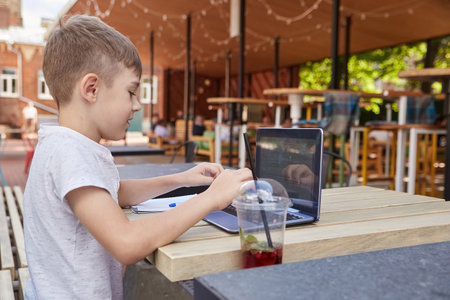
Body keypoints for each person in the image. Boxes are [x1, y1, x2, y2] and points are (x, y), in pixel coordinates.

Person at [23, 15, 252, 299]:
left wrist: (182, 179)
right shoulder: (70, 154)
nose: (137, 105)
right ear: (91, 89)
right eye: (131, 91)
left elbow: (113, 193)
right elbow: (127, 242)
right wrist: (211, 198)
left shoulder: (64, 145)